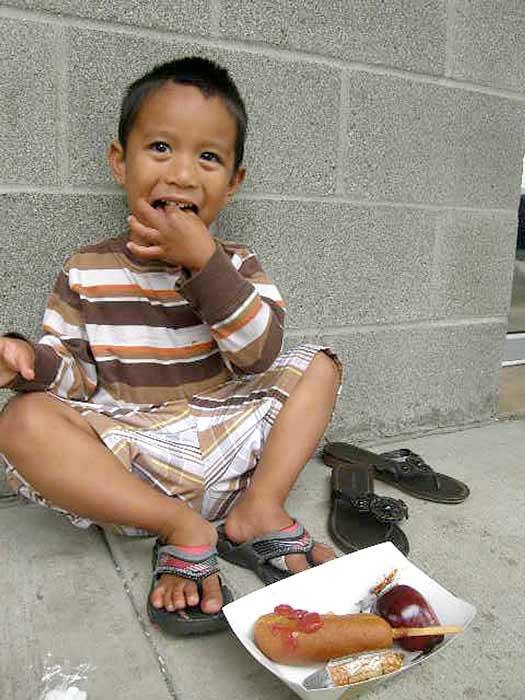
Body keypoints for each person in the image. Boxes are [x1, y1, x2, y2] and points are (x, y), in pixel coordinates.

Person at [0, 56, 342, 636]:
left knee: (320, 364)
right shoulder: (87, 268)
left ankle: (259, 510)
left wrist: (205, 263)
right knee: (21, 420)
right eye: (161, 148)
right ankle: (180, 525)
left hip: (233, 443)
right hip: (138, 462)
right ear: (120, 162)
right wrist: (26, 362)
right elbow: (76, 378)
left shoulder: (235, 263)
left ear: (232, 183)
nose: (183, 174)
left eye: (208, 157)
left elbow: (260, 355)